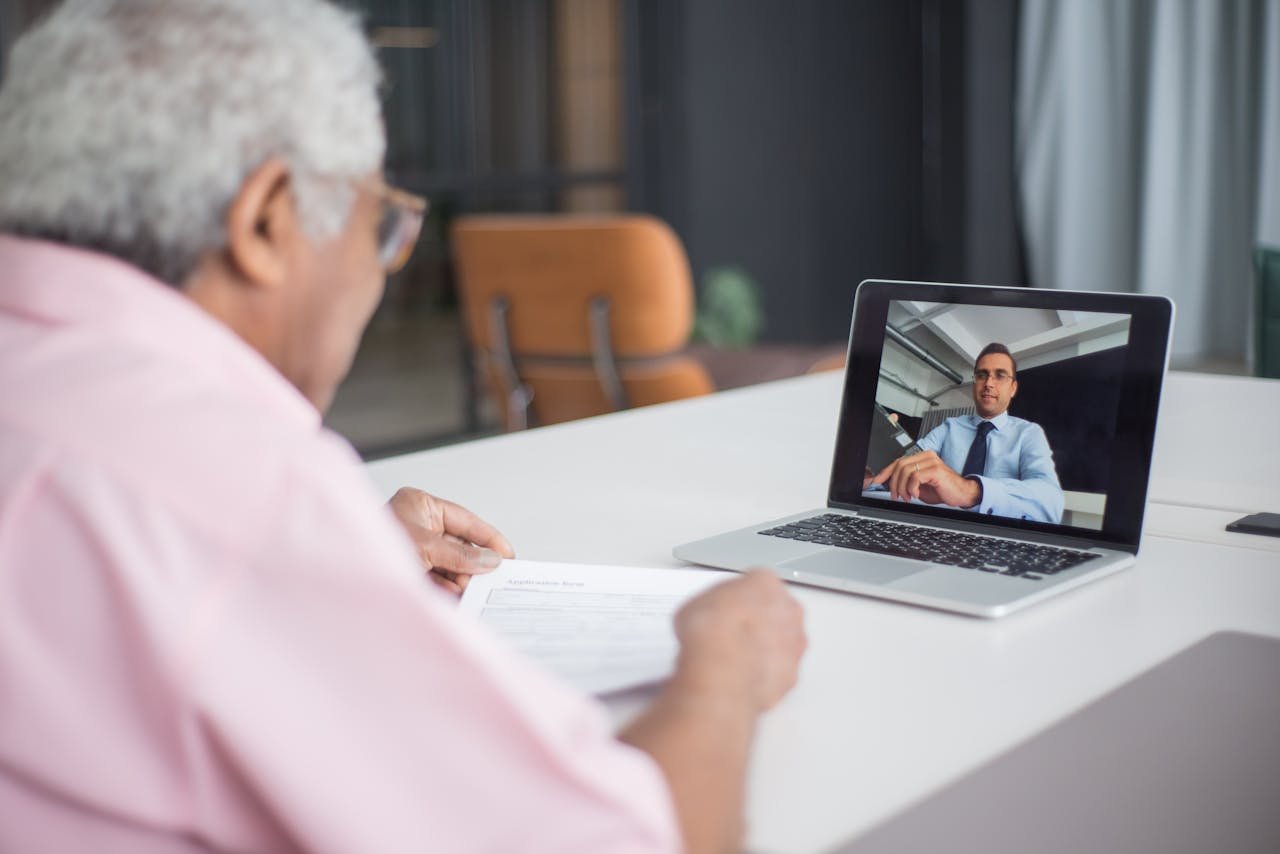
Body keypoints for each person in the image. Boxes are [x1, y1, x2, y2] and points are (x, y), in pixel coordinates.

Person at [0, 2, 806, 852]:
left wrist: (327, 570)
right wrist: (725, 671)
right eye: (382, 222)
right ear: (269, 218)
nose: (384, 269)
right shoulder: (235, 492)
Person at [870, 342, 1065, 524]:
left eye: (1000, 375)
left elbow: (1051, 502)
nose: (988, 383)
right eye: (981, 375)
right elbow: (911, 461)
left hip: (995, 536)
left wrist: (970, 491)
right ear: (974, 383)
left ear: (1013, 388)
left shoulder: (1029, 433)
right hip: (936, 525)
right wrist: (876, 459)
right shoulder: (950, 426)